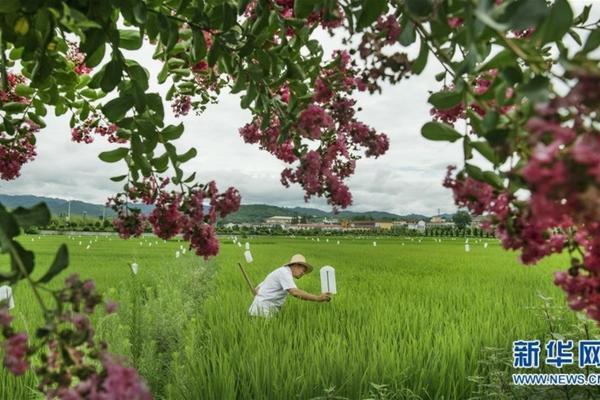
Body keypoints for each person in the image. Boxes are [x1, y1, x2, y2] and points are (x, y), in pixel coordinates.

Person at [248, 254, 331, 317]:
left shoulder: (281, 272)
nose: (303, 273)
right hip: (262, 312)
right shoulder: (284, 273)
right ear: (296, 265)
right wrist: (318, 298)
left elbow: (257, 289)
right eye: (303, 270)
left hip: (263, 310)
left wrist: (258, 293)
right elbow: (295, 292)